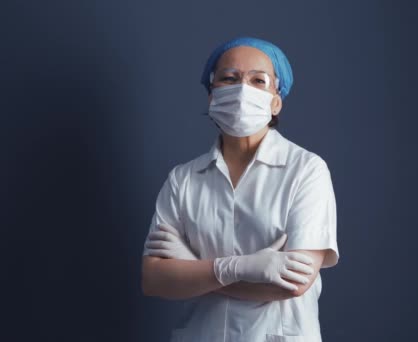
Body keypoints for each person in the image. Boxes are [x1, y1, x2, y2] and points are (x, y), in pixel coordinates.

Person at [141, 36, 340, 342]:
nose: (242, 89)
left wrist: (195, 269)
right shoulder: (183, 179)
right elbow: (154, 279)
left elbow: (293, 284)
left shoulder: (306, 170)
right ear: (211, 96)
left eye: (258, 80)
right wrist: (240, 268)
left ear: (276, 101)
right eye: (229, 78)